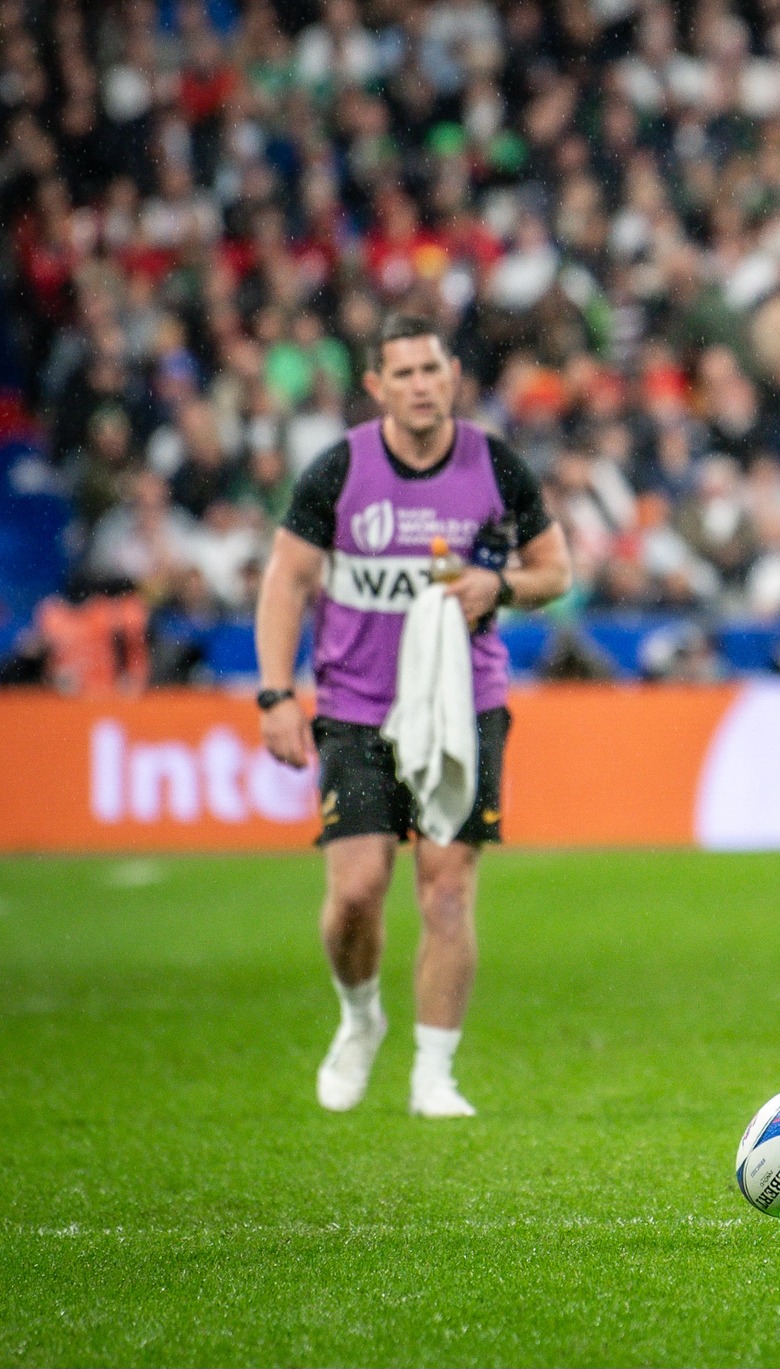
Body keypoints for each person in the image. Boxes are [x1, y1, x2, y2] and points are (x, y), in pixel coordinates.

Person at [253, 314, 571, 1118]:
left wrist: (500, 587)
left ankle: (434, 1072)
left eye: (432, 369)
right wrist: (274, 693)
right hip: (358, 708)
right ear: (377, 387)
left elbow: (555, 569)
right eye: (403, 373)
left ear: (453, 373)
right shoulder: (339, 471)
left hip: (465, 705)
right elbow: (287, 582)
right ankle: (360, 1019)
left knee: (448, 892)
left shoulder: (496, 465)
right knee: (357, 890)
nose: (421, 385)